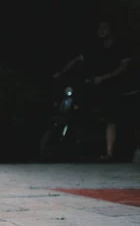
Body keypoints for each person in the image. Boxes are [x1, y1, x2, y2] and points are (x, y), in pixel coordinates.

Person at [54, 20, 132, 160]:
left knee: (110, 119)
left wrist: (104, 78)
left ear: (112, 30)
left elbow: (123, 68)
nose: (100, 30)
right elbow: (77, 59)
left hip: (113, 88)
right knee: (82, 109)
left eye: (104, 28)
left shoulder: (121, 47)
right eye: (99, 28)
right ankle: (80, 146)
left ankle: (109, 153)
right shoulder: (95, 48)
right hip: (94, 86)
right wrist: (61, 73)